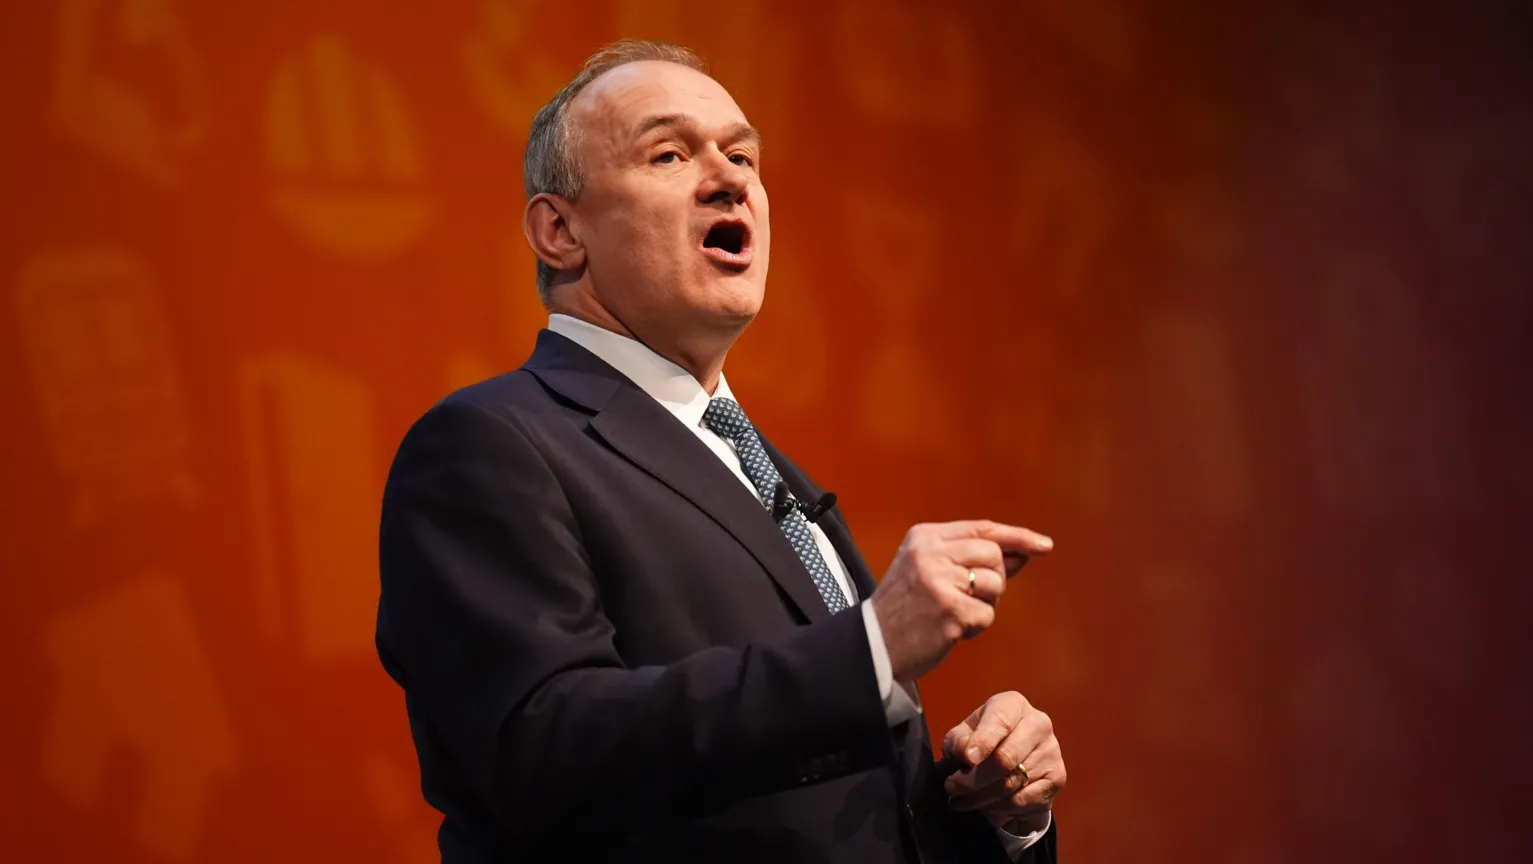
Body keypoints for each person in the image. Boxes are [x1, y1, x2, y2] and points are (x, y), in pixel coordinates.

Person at [376, 39, 1066, 863]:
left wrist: (997, 810)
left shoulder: (758, 464)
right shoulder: (489, 445)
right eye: (669, 153)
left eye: (742, 154)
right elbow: (543, 753)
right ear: (559, 231)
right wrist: (870, 648)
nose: (730, 176)